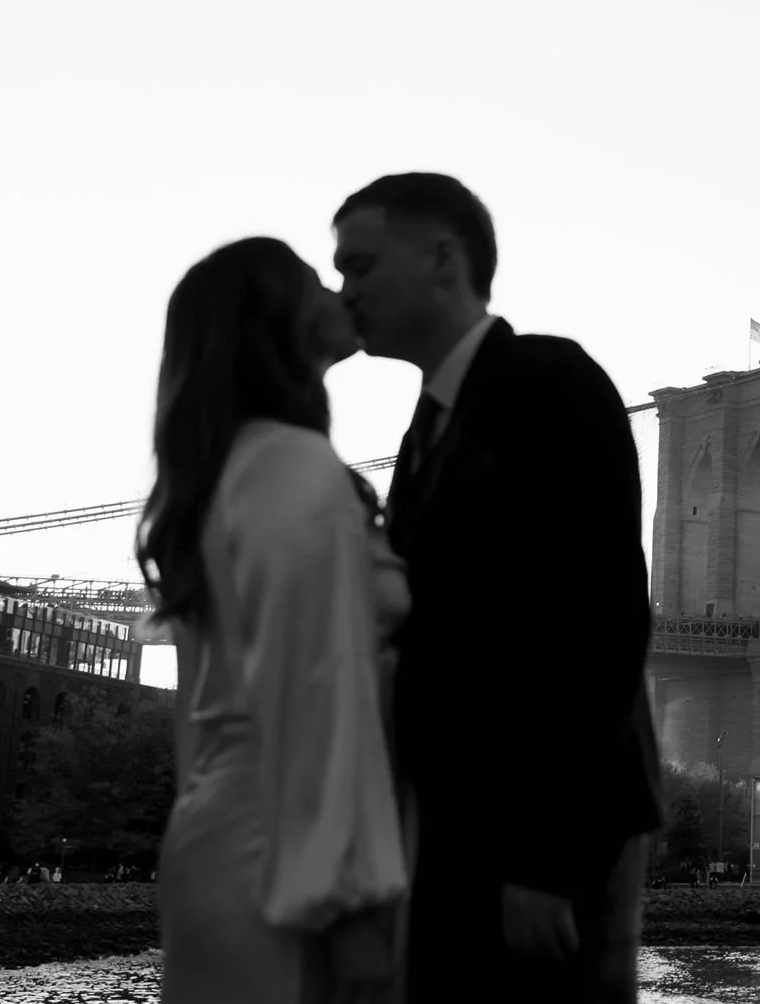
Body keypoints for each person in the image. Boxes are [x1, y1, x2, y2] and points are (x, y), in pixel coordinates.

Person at [332, 173, 662, 1002]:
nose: (346, 290)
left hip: (544, 847)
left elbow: (602, 620)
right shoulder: (427, 426)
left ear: (444, 259)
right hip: (456, 837)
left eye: (360, 265)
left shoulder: (550, 381)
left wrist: (546, 859)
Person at [139, 237, 411, 1004]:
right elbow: (320, 686)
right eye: (314, 280)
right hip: (288, 865)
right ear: (276, 321)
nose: (339, 292)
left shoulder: (228, 470)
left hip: (224, 840)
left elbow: (195, 719)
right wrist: (351, 906)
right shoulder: (292, 463)